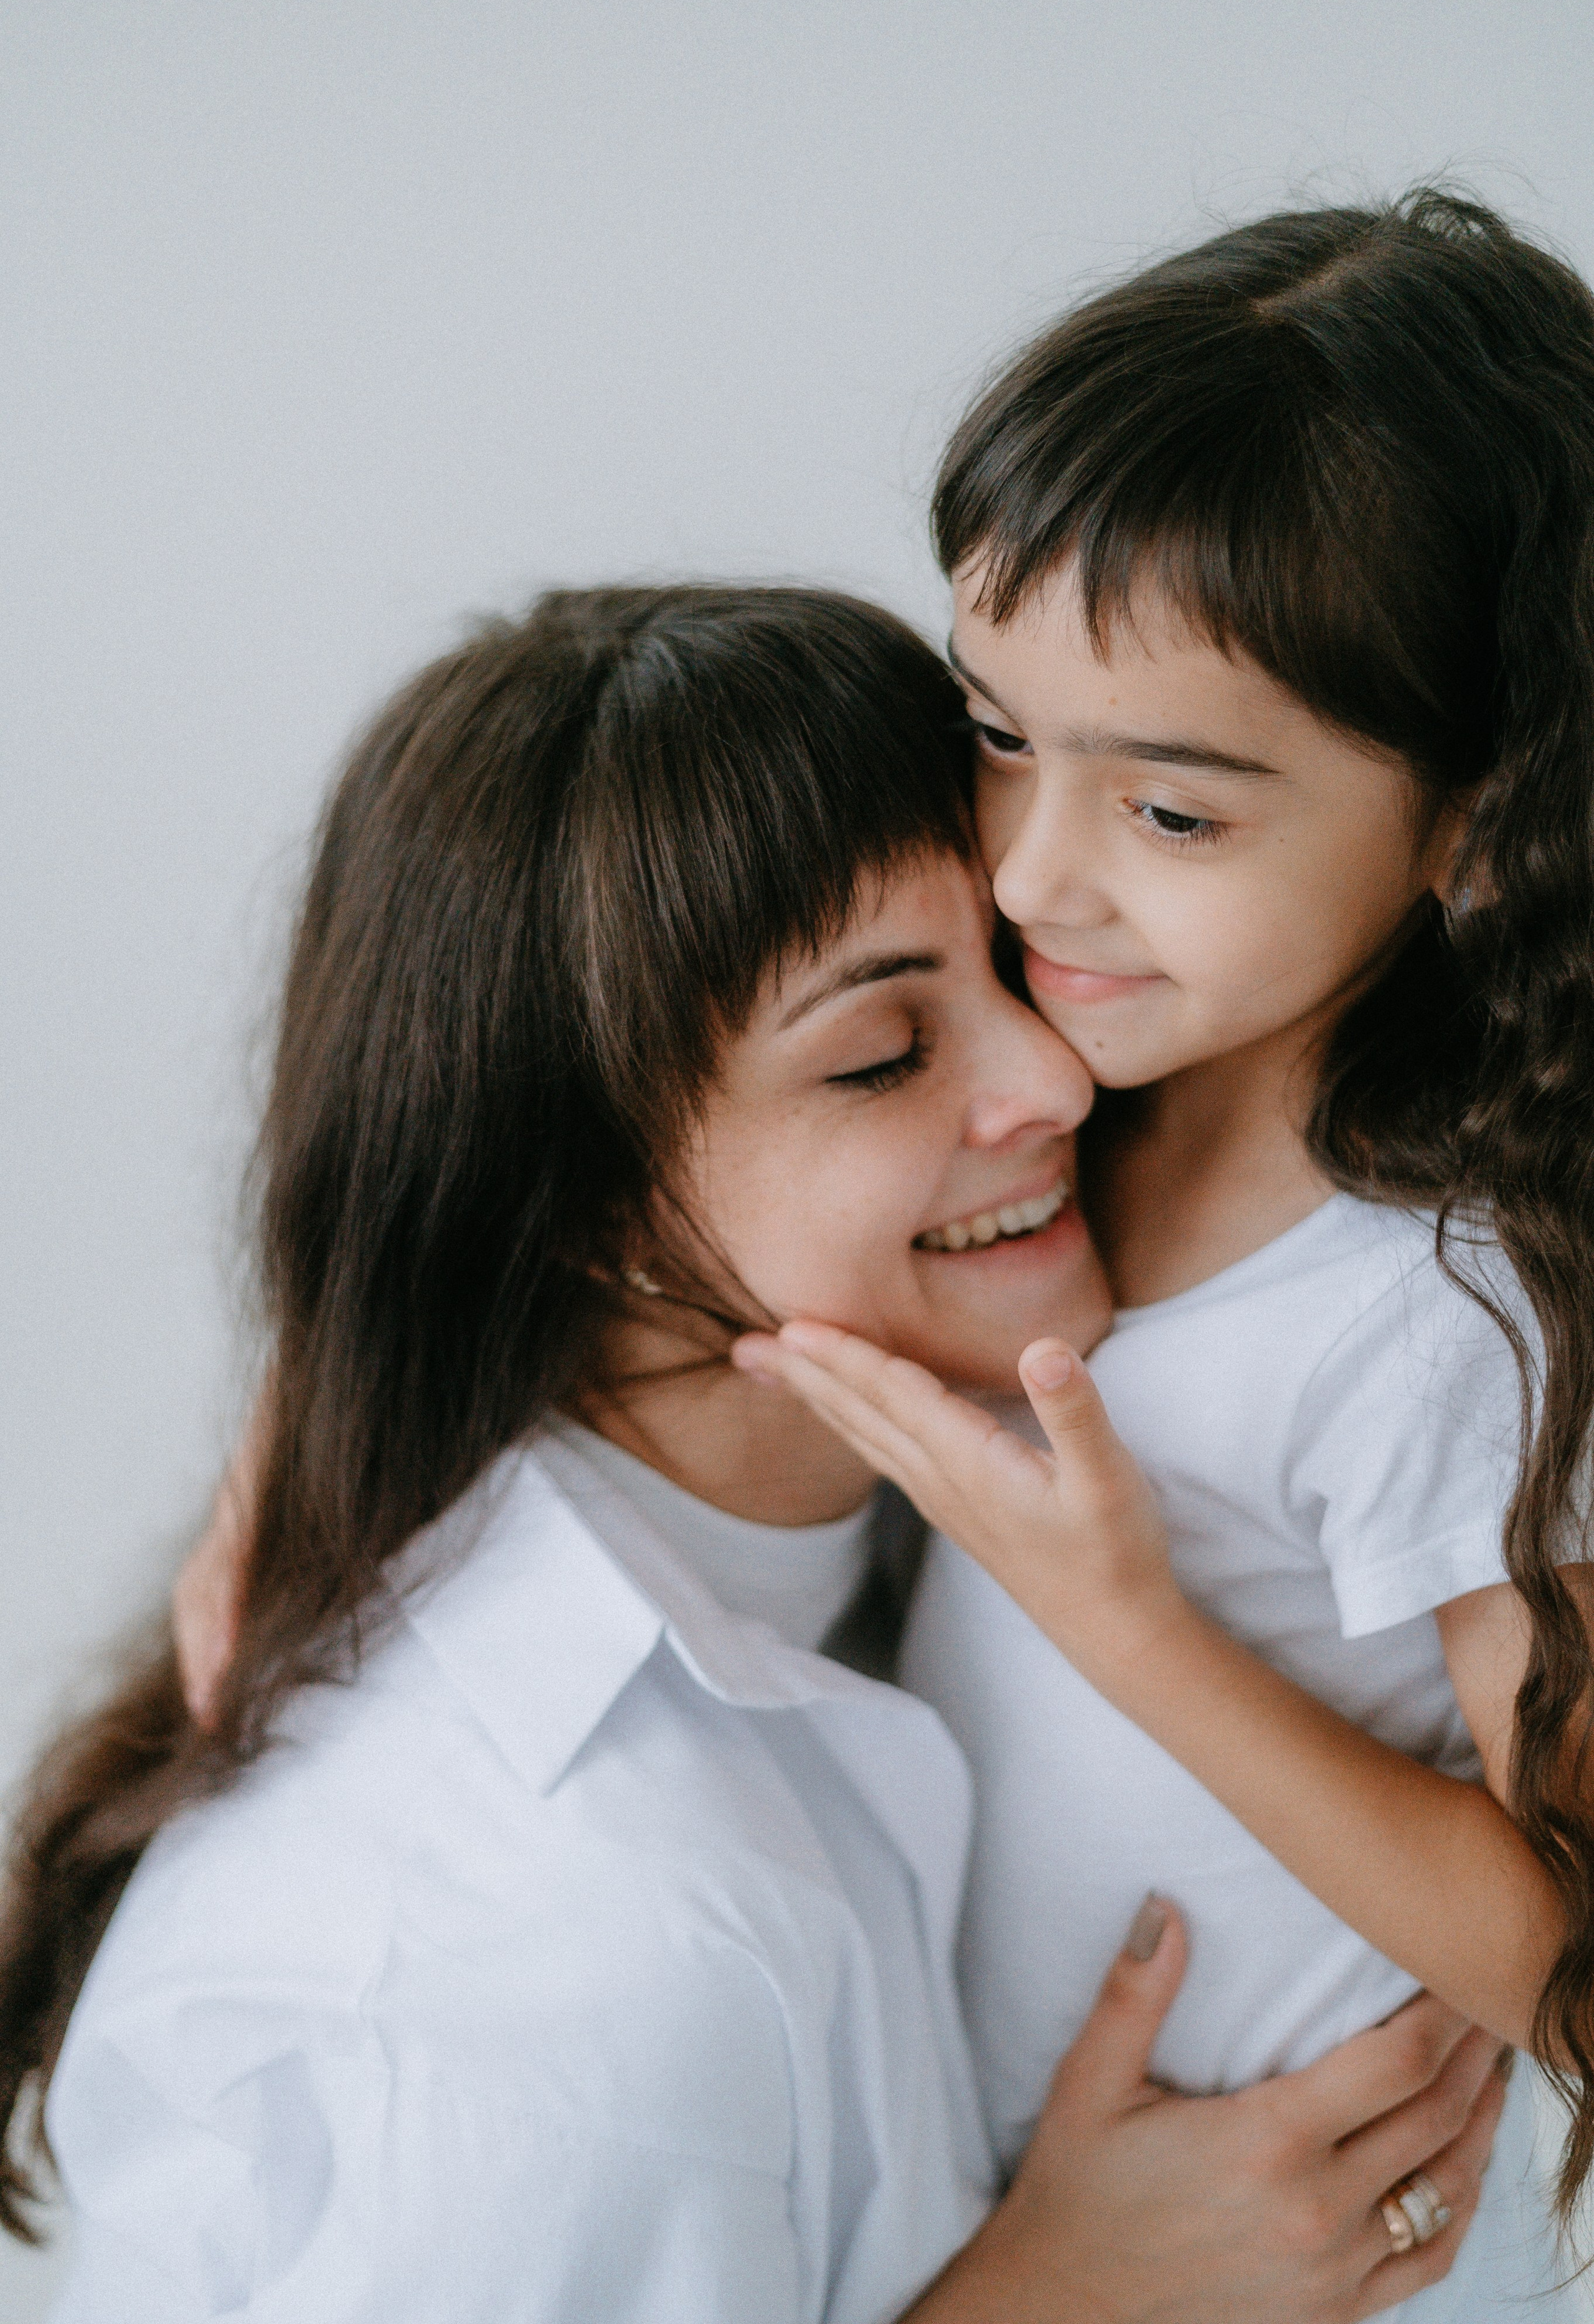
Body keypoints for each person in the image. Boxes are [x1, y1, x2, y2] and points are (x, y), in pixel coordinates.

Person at [0, 587, 1499, 2323]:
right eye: (882, 1054)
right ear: (575, 1206)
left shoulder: (888, 1494)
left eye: (1014, 963)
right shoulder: (549, 1952)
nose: (1059, 1079)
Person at [736, 191, 1594, 2315]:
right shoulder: (1047, 1076)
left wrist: (1127, 1626)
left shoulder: (1445, 1305)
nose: (1035, 868)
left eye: (1176, 815)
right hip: (1002, 2232)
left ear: (1480, 820)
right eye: (1001, 731)